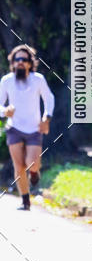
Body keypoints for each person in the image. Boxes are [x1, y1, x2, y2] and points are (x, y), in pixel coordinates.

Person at [0, 44, 55, 211]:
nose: (20, 63)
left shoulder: (38, 79)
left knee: (32, 163)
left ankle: (35, 172)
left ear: (30, 63)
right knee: (19, 166)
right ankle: (25, 201)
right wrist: (5, 111)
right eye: (17, 60)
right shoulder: (6, 80)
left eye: (24, 59)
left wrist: (47, 118)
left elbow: (49, 99)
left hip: (34, 129)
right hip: (14, 128)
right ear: (13, 63)